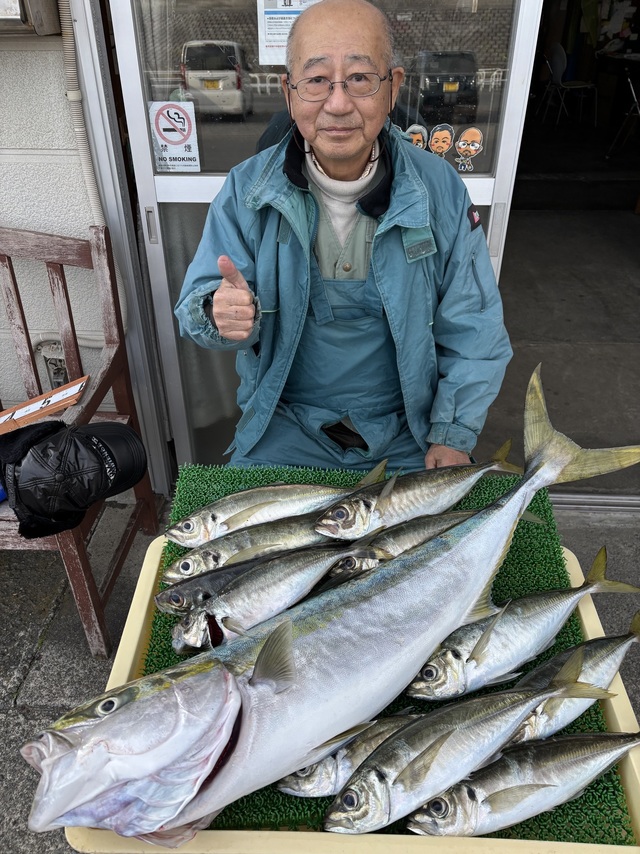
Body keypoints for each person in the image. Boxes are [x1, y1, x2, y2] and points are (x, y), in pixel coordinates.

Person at [175, 0, 512, 472]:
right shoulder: (246, 191)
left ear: (392, 87)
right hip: (284, 427)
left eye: (359, 78)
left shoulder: (439, 190)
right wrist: (218, 313)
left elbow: (475, 327)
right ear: (288, 93)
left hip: (409, 431)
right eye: (316, 80)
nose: (337, 103)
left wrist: (452, 432)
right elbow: (199, 304)